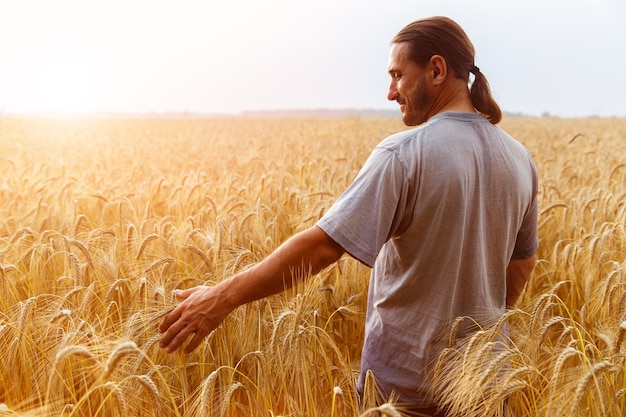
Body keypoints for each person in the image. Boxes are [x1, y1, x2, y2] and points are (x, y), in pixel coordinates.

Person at [159, 16, 538, 416]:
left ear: (437, 69)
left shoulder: (404, 154)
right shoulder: (520, 159)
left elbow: (323, 247)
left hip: (406, 392)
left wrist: (222, 298)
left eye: (398, 74)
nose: (391, 92)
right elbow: (523, 264)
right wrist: (477, 332)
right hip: (487, 387)